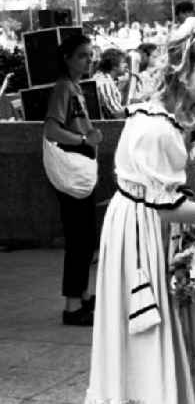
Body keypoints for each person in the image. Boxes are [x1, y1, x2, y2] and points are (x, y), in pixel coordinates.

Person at [86, 15, 195, 404]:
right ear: (182, 72)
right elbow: (168, 208)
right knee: (149, 322)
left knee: (174, 319)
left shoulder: (183, 111)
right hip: (142, 228)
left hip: (150, 221)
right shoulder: (154, 127)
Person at [44, 34, 103, 327]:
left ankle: (82, 295)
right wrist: (82, 139)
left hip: (79, 169)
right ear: (66, 57)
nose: (88, 60)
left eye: (90, 55)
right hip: (72, 170)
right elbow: (51, 130)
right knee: (79, 239)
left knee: (86, 237)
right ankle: (72, 305)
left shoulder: (75, 88)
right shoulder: (63, 88)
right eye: (82, 55)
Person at [92, 48, 127, 119]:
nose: (126, 65)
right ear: (114, 66)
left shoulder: (102, 77)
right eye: (123, 62)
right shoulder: (105, 82)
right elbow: (116, 113)